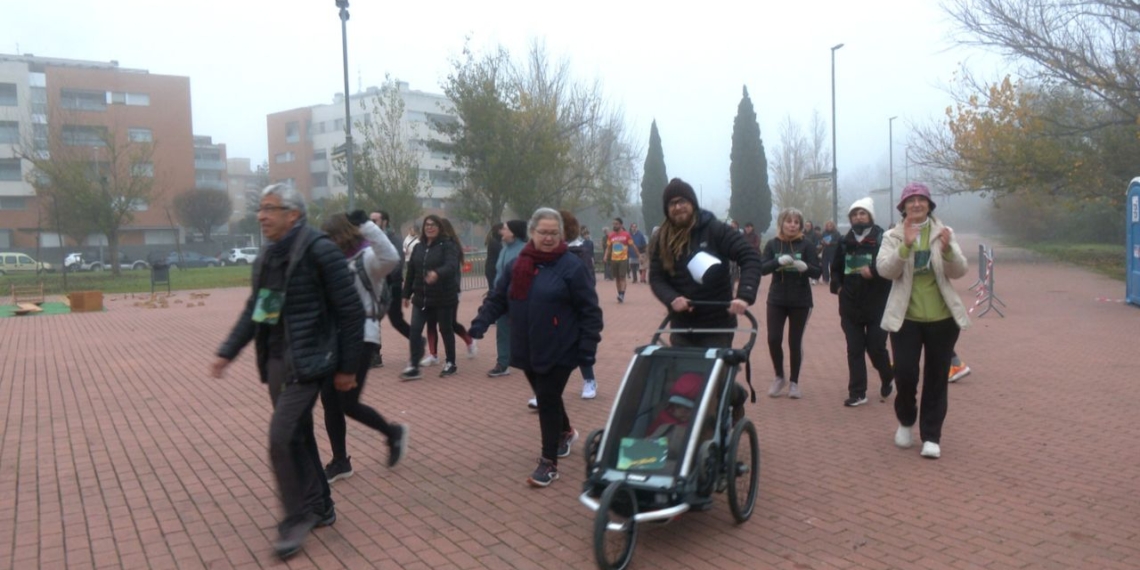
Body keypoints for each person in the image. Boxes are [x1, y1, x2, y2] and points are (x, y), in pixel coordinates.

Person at [210, 183, 363, 560]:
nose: (261, 215)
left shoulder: (319, 250)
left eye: (269, 208)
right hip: (278, 361)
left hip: (310, 362)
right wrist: (228, 351)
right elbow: (258, 311)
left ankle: (296, 518)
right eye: (260, 209)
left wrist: (347, 366)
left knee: (280, 437)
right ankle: (322, 506)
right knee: (298, 435)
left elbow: (350, 311)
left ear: (293, 214)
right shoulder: (269, 255)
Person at [469, 208, 603, 487]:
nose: (549, 238)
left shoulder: (571, 266)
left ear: (561, 235)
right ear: (532, 233)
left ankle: (548, 462)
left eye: (554, 233)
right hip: (527, 344)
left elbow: (590, 311)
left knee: (547, 398)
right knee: (546, 396)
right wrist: (481, 322)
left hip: (562, 345)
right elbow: (497, 297)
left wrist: (588, 347)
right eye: (543, 232)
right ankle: (565, 431)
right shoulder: (518, 264)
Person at [648, 178, 760, 421]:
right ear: (667, 209)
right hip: (682, 323)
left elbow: (749, 256)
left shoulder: (715, 229)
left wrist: (744, 295)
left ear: (693, 203)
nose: (678, 207)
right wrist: (672, 298)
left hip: (716, 322)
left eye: (683, 201)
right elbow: (656, 278)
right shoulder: (661, 239)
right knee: (682, 381)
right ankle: (689, 430)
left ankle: (734, 398)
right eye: (672, 204)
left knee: (712, 381)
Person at [876, 182, 970, 460]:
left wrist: (949, 251)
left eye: (922, 200)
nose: (916, 204)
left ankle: (931, 435)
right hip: (906, 318)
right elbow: (885, 270)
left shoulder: (943, 232)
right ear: (902, 207)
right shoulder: (893, 235)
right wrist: (905, 246)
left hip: (942, 319)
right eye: (910, 201)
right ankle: (906, 421)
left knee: (936, 377)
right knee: (905, 373)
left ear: (929, 205)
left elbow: (960, 270)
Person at [319, 212, 409, 482]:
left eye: (330, 237)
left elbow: (392, 257)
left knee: (348, 402)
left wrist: (368, 225)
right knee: (329, 401)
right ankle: (340, 461)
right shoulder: (331, 264)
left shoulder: (368, 259)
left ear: (341, 236)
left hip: (361, 336)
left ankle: (393, 432)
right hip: (332, 338)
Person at [829, 198, 894, 407]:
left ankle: (887, 375)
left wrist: (873, 272)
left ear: (870, 217)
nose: (858, 217)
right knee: (854, 348)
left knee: (876, 348)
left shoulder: (883, 239)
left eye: (862, 213)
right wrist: (838, 287)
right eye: (855, 214)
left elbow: (892, 267)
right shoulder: (844, 241)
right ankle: (858, 392)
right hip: (850, 305)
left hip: (878, 305)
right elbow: (835, 269)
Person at [761, 207, 821, 399]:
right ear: (782, 223)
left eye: (796, 222)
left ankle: (794, 382)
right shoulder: (772, 244)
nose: (793, 225)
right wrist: (777, 263)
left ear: (801, 226)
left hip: (800, 300)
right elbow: (762, 268)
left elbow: (817, 271)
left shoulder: (807, 245)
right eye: (789, 221)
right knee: (773, 339)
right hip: (776, 298)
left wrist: (806, 268)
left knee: (794, 342)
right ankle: (779, 376)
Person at [401, 214, 462, 380]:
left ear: (439, 227)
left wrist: (437, 273)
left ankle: (451, 363)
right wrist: (406, 294)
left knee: (445, 329)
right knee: (414, 330)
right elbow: (411, 271)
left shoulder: (447, 245)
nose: (429, 227)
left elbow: (451, 265)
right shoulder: (419, 247)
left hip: (443, 297)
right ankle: (413, 365)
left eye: (433, 225)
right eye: (427, 225)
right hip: (421, 297)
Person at [563, 210, 600, 399]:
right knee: (551, 348)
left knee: (579, 344)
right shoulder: (546, 252)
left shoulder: (580, 251)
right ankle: (547, 390)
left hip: (575, 306)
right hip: (553, 307)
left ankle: (589, 381)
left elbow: (588, 281)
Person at [487, 220, 527, 378]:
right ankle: (503, 363)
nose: (501, 231)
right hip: (502, 298)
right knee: (502, 330)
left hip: (520, 298)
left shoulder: (524, 250)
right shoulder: (504, 249)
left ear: (513, 232)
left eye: (504, 228)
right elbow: (499, 273)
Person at [371, 210, 411, 368]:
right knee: (372, 320)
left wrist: (384, 277)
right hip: (375, 287)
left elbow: (396, 263)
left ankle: (417, 342)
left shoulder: (393, 239)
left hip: (391, 286)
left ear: (385, 222)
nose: (372, 223)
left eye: (375, 220)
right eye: (370, 220)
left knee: (396, 321)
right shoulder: (370, 240)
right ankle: (374, 355)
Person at [604, 218, 635, 302]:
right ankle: (619, 293)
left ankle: (622, 294)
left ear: (621, 225)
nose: (615, 225)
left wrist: (639, 255)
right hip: (614, 259)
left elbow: (632, 245)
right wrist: (605, 256)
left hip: (623, 259)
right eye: (614, 224)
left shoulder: (626, 235)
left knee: (622, 277)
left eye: (617, 224)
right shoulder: (611, 235)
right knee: (617, 278)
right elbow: (608, 247)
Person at [820, 220, 842, 284]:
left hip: (833, 251)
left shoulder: (836, 233)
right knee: (824, 265)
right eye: (827, 225)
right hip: (825, 251)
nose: (829, 227)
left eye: (830, 225)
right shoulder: (824, 233)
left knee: (832, 265)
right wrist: (822, 242)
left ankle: (833, 278)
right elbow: (821, 240)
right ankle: (825, 279)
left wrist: (830, 243)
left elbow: (839, 242)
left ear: (833, 226)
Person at [484, 222, 504, 291]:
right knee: (494, 289)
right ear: (499, 231)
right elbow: (501, 254)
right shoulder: (495, 243)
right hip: (493, 270)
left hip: (491, 269)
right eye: (503, 229)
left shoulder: (494, 241)